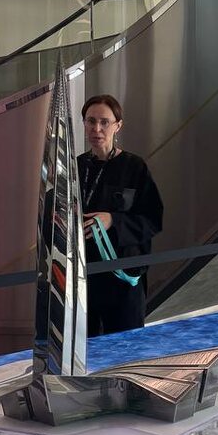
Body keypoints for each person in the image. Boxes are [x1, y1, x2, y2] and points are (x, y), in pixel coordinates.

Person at [77, 94, 163, 335]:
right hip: (83, 279)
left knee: (126, 347)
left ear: (118, 126)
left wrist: (112, 220)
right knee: (85, 348)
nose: (96, 129)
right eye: (91, 121)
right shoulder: (76, 166)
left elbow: (153, 220)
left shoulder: (134, 166)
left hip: (123, 279)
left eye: (104, 122)